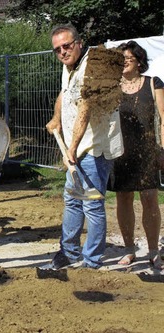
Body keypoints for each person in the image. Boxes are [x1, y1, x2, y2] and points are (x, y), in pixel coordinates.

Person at [41, 24, 123, 270]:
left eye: (67, 46)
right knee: (73, 201)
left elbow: (85, 109)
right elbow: (64, 94)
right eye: (57, 49)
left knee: (92, 204)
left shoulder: (92, 66)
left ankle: (92, 260)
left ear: (79, 42)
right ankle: (69, 252)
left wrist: (72, 148)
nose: (63, 52)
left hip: (93, 149)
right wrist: (57, 118)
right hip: (77, 148)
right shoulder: (68, 67)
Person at [108, 41, 164, 269]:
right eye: (121, 59)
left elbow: (163, 118)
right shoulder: (112, 87)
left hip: (147, 150)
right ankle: (129, 249)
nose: (123, 63)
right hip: (119, 151)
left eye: (128, 59)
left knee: (150, 197)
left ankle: (153, 251)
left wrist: (163, 150)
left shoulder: (153, 83)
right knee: (123, 198)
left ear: (139, 61)